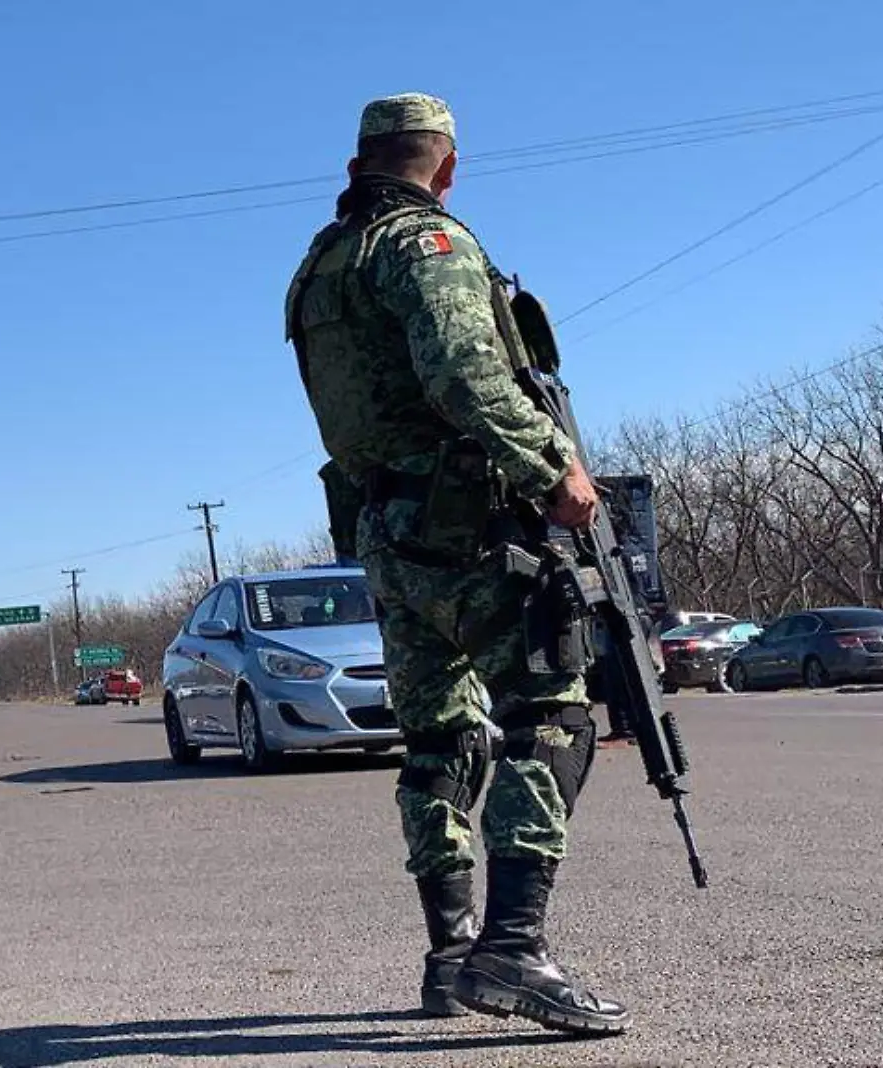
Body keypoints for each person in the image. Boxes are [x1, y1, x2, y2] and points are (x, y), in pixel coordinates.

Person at [284, 93, 628, 1035]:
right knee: (549, 716)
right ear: (445, 167)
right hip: (472, 525)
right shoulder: (427, 245)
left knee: (440, 741)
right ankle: (514, 950)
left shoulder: (319, 269)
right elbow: (463, 374)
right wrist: (553, 468)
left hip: (388, 538)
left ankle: (449, 956)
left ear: (357, 167)